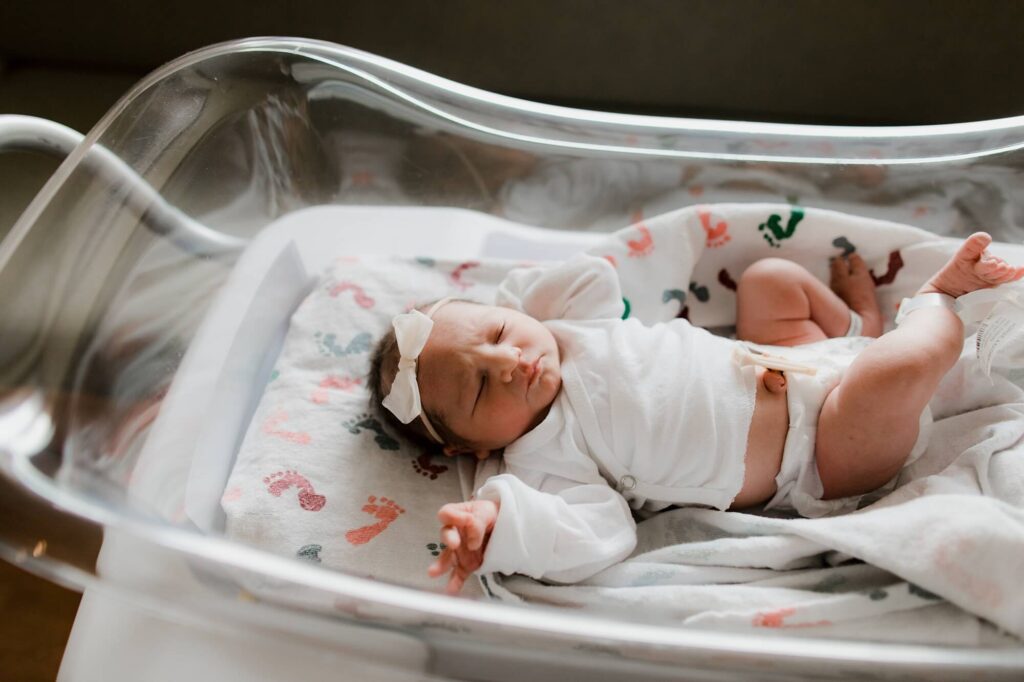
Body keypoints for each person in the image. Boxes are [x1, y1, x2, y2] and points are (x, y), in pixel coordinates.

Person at [368, 231, 1023, 594]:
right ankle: (935, 304)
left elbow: (591, 272)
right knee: (898, 372)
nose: (509, 362)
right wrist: (499, 522)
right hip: (824, 453)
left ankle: (861, 326)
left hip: (798, 356)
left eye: (499, 332)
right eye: (482, 389)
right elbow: (596, 538)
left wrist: (508, 310)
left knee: (768, 277)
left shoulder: (567, 328)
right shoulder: (544, 460)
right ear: (469, 449)